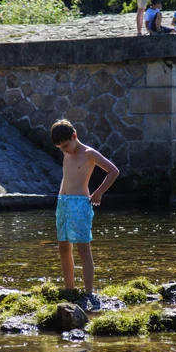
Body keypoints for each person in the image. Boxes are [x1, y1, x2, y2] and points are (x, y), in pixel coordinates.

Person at [51, 120, 119, 294]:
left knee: (83, 250)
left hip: (79, 204)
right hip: (63, 203)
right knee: (64, 247)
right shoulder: (67, 151)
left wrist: (98, 193)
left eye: (66, 145)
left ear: (74, 136)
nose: (64, 150)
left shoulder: (89, 153)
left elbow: (113, 171)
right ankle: (69, 289)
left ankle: (89, 292)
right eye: (61, 148)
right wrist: (62, 198)